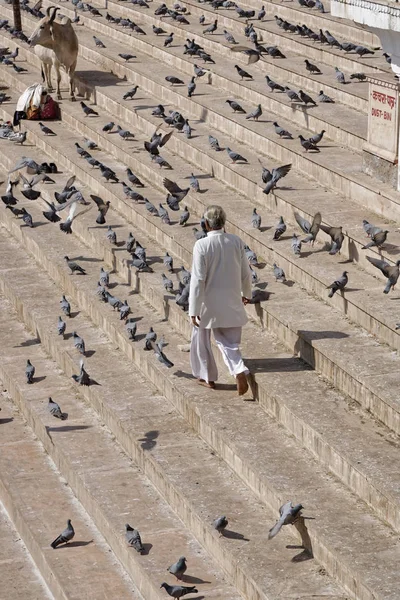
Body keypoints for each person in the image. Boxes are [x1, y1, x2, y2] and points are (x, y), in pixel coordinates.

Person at [189, 205, 254, 396]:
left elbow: (198, 279)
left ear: (206, 224)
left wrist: (193, 308)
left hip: (208, 302)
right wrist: (247, 293)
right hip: (232, 299)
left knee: (201, 337)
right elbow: (246, 272)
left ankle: (208, 376)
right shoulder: (236, 241)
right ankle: (237, 369)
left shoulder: (201, 245)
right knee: (229, 342)